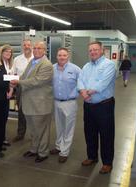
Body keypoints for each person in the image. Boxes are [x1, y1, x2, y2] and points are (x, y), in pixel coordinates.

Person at [11, 41, 53, 163]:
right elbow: (24, 76)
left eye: (39, 48)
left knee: (42, 130)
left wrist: (18, 82)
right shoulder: (33, 62)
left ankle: (43, 152)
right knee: (33, 129)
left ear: (44, 50)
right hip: (29, 102)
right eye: (34, 48)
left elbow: (37, 81)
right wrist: (14, 80)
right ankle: (34, 149)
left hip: (40, 104)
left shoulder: (46, 65)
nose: (35, 50)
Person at [77, 41, 116, 174]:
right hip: (88, 106)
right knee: (90, 133)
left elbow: (102, 84)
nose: (93, 52)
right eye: (91, 50)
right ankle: (92, 157)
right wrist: (82, 92)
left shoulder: (109, 65)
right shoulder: (86, 66)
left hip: (104, 106)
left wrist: (87, 93)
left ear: (102, 50)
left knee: (106, 134)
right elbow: (80, 80)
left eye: (95, 49)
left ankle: (107, 162)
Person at [50, 48, 81, 163]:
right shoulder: (52, 68)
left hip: (70, 102)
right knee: (59, 126)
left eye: (64, 55)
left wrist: (77, 93)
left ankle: (65, 151)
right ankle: (58, 146)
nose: (62, 57)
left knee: (68, 128)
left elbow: (82, 82)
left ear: (68, 56)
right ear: (56, 56)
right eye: (59, 55)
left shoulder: (75, 69)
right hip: (56, 101)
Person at [12, 39, 33, 142]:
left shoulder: (37, 59)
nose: (26, 47)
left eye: (28, 45)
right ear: (22, 47)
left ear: (31, 46)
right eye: (25, 45)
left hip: (34, 89)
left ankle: (34, 135)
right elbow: (12, 73)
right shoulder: (17, 59)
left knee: (34, 112)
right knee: (21, 111)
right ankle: (20, 133)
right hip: (21, 88)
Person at [0, 44, 14, 148]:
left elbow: (11, 79)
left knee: (4, 117)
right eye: (6, 51)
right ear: (1, 52)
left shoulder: (10, 64)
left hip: (7, 92)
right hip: (0, 93)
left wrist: (11, 91)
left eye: (10, 52)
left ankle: (2, 138)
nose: (8, 53)